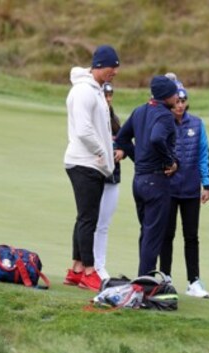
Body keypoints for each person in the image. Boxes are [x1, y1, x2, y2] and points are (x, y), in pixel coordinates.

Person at [63, 45, 120, 291]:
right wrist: (102, 152)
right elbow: (84, 130)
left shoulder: (94, 89)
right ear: (100, 66)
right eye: (112, 68)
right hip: (85, 162)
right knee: (89, 219)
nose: (115, 73)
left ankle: (75, 269)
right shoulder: (84, 91)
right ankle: (88, 271)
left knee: (84, 217)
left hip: (89, 163)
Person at [115, 75, 180, 277]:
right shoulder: (165, 116)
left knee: (146, 232)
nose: (177, 97)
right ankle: (144, 284)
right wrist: (170, 161)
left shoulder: (140, 111)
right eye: (174, 93)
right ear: (166, 96)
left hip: (139, 181)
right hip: (156, 181)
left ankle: (143, 278)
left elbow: (122, 138)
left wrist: (138, 158)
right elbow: (157, 138)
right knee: (153, 235)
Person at [159, 85, 209, 298]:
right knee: (167, 234)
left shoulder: (197, 124)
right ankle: (165, 276)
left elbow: (203, 155)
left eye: (183, 101)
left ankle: (194, 281)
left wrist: (207, 185)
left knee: (191, 236)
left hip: (191, 188)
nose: (180, 105)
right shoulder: (163, 123)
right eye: (177, 102)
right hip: (168, 189)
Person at [93, 81, 125, 281]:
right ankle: (87, 266)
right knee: (91, 222)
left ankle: (100, 266)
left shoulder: (114, 119)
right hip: (95, 175)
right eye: (105, 95)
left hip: (113, 177)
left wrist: (122, 151)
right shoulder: (94, 117)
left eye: (110, 95)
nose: (108, 99)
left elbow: (124, 142)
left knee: (104, 224)